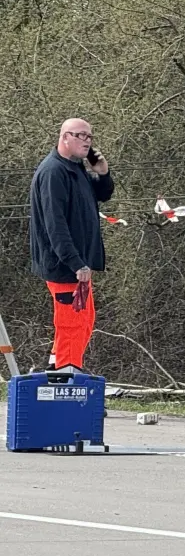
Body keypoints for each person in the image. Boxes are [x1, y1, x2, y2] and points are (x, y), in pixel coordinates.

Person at [29, 118, 115, 372]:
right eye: (81, 136)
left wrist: (103, 173)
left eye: (90, 137)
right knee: (72, 322)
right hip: (65, 264)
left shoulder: (75, 168)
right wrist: (76, 263)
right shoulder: (53, 172)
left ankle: (58, 367)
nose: (87, 142)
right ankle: (66, 376)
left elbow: (103, 195)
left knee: (84, 319)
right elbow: (54, 225)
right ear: (65, 137)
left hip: (77, 263)